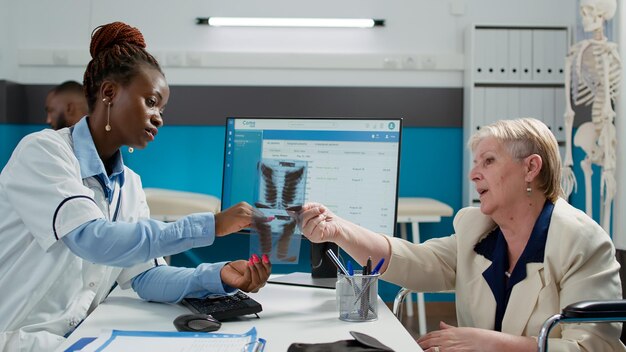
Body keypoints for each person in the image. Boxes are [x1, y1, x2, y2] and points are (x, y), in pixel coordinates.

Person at [0, 22, 271, 352]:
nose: (159, 117)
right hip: (16, 337)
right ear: (110, 93)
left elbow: (146, 277)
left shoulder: (129, 185)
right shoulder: (43, 152)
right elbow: (91, 239)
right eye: (152, 101)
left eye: (163, 109)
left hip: (74, 339)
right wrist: (210, 224)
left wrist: (219, 276)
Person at [297, 118, 626, 351]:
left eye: (489, 160)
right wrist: (339, 230)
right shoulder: (476, 229)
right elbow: (416, 261)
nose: (473, 173)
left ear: (531, 168)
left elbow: (594, 348)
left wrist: (488, 344)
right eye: (475, 162)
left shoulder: (580, 241)